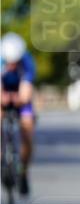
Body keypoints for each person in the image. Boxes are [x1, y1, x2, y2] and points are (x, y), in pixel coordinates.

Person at [1, 33, 37, 194]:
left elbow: (26, 92)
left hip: (21, 97)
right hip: (4, 93)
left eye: (15, 62)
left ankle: (23, 172)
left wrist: (19, 99)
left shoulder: (27, 62)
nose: (12, 66)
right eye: (9, 62)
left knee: (28, 127)